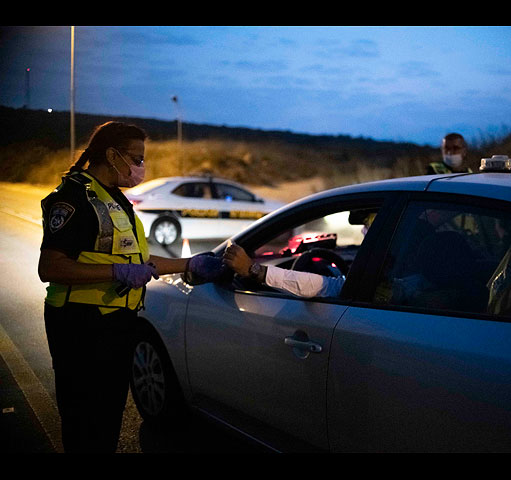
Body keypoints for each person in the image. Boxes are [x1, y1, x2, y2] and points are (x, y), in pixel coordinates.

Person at [38, 121, 220, 453]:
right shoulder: (75, 198)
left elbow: (141, 263)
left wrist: (189, 264)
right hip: (80, 326)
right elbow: (50, 267)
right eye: (137, 159)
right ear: (112, 155)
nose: (141, 167)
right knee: (84, 421)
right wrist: (117, 272)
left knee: (107, 418)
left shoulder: (116, 199)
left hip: (115, 325)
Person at [222, 212, 377, 298]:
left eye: (367, 226)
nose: (363, 232)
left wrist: (253, 269)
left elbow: (326, 287)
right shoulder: (393, 273)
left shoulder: (392, 281)